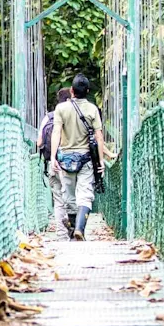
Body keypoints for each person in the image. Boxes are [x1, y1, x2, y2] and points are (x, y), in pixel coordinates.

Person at [50, 74, 108, 240]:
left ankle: (73, 229)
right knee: (85, 195)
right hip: (86, 159)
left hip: (66, 159)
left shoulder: (61, 109)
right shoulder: (92, 109)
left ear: (71, 91)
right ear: (87, 91)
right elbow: (99, 136)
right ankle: (79, 229)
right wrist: (101, 161)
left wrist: (53, 157)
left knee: (69, 197)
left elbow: (56, 132)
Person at [39, 88, 72, 234]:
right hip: (69, 163)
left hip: (52, 164)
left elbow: (39, 142)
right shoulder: (73, 115)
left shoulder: (48, 117)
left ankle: (61, 234)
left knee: (58, 199)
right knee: (71, 197)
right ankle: (73, 228)